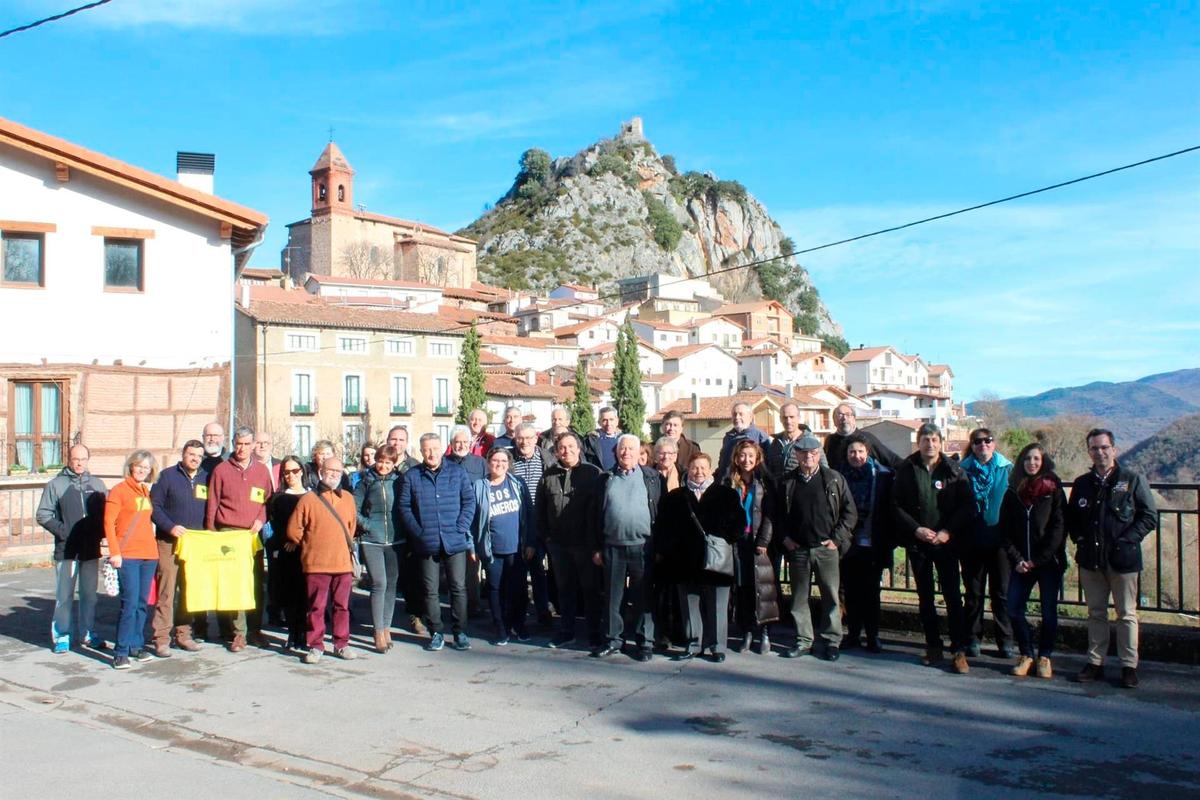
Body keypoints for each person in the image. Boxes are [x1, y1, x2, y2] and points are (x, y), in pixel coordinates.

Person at [1066, 428, 1157, 689]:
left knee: (1126, 614)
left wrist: (1127, 540)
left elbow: (1149, 516)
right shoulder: (1082, 483)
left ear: (1114, 449)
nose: (1100, 452)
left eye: (1104, 447)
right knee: (1096, 613)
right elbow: (1072, 518)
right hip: (1091, 559)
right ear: (1089, 452)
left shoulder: (1131, 479)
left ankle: (1129, 666)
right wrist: (1079, 540)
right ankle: (1095, 662)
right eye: (1094, 448)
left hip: (1123, 561)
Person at [892, 423, 973, 673]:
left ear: (941, 442)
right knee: (925, 597)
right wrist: (916, 529)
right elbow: (895, 505)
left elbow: (967, 505)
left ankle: (959, 650)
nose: (930, 444)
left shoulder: (953, 469)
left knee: (952, 596)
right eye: (925, 439)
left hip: (946, 543)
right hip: (919, 543)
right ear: (919, 442)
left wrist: (947, 532)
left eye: (934, 440)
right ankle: (933, 645)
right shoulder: (907, 469)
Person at [657, 452, 743, 662]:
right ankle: (693, 643)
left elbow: (739, 523)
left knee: (718, 604)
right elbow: (663, 527)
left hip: (716, 560)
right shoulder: (675, 497)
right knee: (689, 604)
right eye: (695, 467)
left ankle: (716, 646)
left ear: (710, 469)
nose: (699, 472)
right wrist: (670, 550)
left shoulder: (726, 494)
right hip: (685, 560)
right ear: (689, 469)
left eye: (703, 467)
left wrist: (724, 538)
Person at [776, 435, 856, 661]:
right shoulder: (787, 482)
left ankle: (831, 641)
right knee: (799, 597)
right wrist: (785, 539)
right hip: (799, 549)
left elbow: (850, 513)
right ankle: (804, 640)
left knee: (830, 596)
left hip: (826, 548)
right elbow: (778, 515)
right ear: (797, 455)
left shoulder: (833, 479)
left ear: (819, 454)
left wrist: (837, 539)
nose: (808, 457)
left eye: (812, 453)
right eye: (803, 453)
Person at [399, 433, 477, 652]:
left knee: (458, 588)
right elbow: (404, 507)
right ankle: (436, 632)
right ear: (421, 452)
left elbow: (469, 501)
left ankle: (460, 632)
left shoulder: (457, 472)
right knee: (430, 590)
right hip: (426, 542)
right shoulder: (412, 476)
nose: (431, 453)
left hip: (454, 540)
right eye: (426, 449)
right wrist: (418, 532)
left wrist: (461, 527)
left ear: (443, 449)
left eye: (435, 448)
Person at [592, 434, 662, 661]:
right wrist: (596, 548)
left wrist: (660, 546)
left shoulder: (652, 478)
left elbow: (662, 515)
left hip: (643, 547)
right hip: (612, 546)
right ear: (616, 452)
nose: (626, 453)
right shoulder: (605, 479)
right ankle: (613, 640)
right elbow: (594, 516)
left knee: (643, 596)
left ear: (638, 452)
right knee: (613, 597)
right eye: (622, 449)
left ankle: (645, 643)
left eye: (631, 449)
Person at [204, 426, 273, 651]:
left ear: (254, 445)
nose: (242, 448)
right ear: (233, 444)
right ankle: (238, 633)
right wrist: (211, 533)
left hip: (252, 535)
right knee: (234, 585)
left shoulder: (262, 471)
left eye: (246, 444)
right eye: (239, 443)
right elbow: (212, 503)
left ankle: (254, 629)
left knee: (255, 584)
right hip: (228, 534)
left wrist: (261, 520)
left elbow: (267, 502)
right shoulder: (221, 470)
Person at [1001, 443, 1067, 680]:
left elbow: (1059, 527)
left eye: (1037, 459)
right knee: (1014, 608)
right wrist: (1018, 559)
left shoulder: (1053, 488)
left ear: (1043, 461)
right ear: (1021, 462)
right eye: (1028, 458)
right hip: (1021, 564)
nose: (1032, 463)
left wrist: (1038, 560)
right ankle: (1027, 653)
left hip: (1048, 563)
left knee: (1049, 611)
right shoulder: (1012, 491)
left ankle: (1045, 656)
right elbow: (1005, 530)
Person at [286, 457, 359, 663]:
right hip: (316, 563)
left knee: (342, 606)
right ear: (321, 472)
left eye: (338, 470)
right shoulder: (308, 499)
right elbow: (293, 531)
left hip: (342, 563)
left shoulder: (348, 498)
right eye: (330, 470)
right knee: (316, 607)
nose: (334, 474)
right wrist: (312, 544)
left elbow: (351, 528)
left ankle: (341, 644)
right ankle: (316, 646)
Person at [536, 432, 604, 648]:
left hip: (586, 544)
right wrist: (547, 538)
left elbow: (601, 510)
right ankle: (567, 631)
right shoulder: (548, 476)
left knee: (590, 590)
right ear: (556, 451)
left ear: (579, 448)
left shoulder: (593, 474)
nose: (566, 451)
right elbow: (540, 510)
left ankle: (594, 632)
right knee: (565, 590)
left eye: (570, 446)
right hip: (558, 544)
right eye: (562, 447)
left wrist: (597, 544)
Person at [37, 443, 107, 653]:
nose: (79, 463)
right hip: (66, 551)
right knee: (64, 596)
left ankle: (88, 634)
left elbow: (106, 515)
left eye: (83, 459)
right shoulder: (56, 484)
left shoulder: (97, 484)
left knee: (89, 595)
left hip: (90, 550)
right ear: (68, 459)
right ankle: (62, 636)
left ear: (88, 460)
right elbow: (43, 514)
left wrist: (103, 535)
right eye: (75, 459)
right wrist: (63, 531)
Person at [148, 439, 208, 656]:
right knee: (167, 591)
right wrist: (170, 527)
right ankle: (161, 638)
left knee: (189, 590)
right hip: (169, 542)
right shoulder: (166, 476)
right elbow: (154, 507)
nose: (195, 459)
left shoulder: (206, 477)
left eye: (199, 456)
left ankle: (184, 634)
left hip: (195, 545)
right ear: (183, 454)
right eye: (191, 454)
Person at [958, 428, 1015, 658]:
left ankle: (1005, 640)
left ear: (994, 443)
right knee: (973, 593)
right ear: (972, 446)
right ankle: (973, 638)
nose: (983, 445)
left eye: (987, 440)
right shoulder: (962, 471)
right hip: (971, 539)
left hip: (1000, 540)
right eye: (978, 441)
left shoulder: (1007, 469)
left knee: (1001, 593)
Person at [472, 447, 537, 645]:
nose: (499, 464)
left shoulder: (518, 483)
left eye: (503, 461)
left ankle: (519, 624)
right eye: (495, 460)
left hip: (517, 548)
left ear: (508, 464)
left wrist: (531, 542)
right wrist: (472, 547)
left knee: (518, 589)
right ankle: (500, 627)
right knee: (495, 589)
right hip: (492, 550)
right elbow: (472, 520)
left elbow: (530, 513)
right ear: (488, 462)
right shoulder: (479, 486)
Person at [836, 434, 896, 653]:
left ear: (868, 453)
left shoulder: (882, 475)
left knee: (871, 592)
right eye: (852, 452)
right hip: (847, 543)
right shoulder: (839, 476)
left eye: (861, 451)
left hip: (873, 542)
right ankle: (853, 634)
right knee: (850, 591)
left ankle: (873, 635)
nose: (856, 456)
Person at [104, 450, 160, 669]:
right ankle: (121, 650)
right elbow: (109, 523)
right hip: (128, 555)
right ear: (131, 466)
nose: (142, 471)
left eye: (146, 468)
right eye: (139, 466)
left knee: (141, 604)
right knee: (128, 604)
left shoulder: (145, 491)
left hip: (149, 554)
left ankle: (136, 645)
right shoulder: (119, 491)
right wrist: (115, 552)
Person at [723, 440, 778, 654]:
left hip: (758, 542)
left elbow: (770, 515)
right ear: (736, 458)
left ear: (757, 458)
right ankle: (746, 630)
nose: (746, 460)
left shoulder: (764, 482)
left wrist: (764, 541)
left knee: (763, 589)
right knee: (743, 588)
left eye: (750, 456)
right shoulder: (729, 482)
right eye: (742, 456)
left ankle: (764, 631)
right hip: (738, 542)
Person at [354, 445, 406, 653]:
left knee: (392, 584)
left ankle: (386, 627)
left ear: (394, 463)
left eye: (388, 462)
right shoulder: (366, 481)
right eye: (381, 461)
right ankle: (377, 631)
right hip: (372, 540)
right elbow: (354, 509)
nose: (383, 466)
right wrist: (367, 526)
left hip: (396, 540)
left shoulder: (400, 481)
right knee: (379, 583)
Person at [511, 423, 554, 628]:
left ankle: (545, 609)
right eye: (520, 438)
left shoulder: (547, 458)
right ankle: (523, 611)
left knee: (543, 569)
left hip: (543, 519)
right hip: (519, 521)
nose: (524, 442)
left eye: (528, 438)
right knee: (524, 568)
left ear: (536, 438)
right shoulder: (510, 459)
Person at [268, 456, 309, 652]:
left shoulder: (312, 496)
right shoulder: (278, 497)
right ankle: (293, 635)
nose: (290, 475)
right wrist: (288, 540)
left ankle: (304, 634)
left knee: (306, 595)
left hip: (307, 551)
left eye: (294, 471)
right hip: (286, 552)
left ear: (301, 471)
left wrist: (298, 540)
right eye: (286, 472)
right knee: (289, 595)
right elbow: (276, 524)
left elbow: (313, 524)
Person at [386, 424, 423, 634]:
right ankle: (384, 618)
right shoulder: (382, 463)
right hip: (388, 527)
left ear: (406, 443)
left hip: (409, 528)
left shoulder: (415, 466)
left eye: (400, 440)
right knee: (389, 576)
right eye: (393, 439)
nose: (396, 443)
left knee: (412, 575)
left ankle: (415, 615)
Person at [824, 403, 902, 472]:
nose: (844, 418)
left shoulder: (866, 438)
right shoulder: (830, 440)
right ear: (834, 420)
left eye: (848, 415)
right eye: (840, 415)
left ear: (854, 419)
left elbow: (891, 459)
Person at [765, 403, 825, 481]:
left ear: (798, 418)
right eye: (785, 417)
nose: (788, 421)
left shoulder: (811, 441)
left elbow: (824, 469)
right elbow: (770, 468)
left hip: (801, 489)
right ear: (780, 419)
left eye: (792, 417)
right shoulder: (776, 443)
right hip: (779, 490)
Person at [716, 402, 770, 480]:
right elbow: (722, 462)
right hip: (727, 484)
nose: (737, 417)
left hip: (750, 485)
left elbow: (767, 464)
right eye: (734, 414)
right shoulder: (728, 437)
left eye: (741, 414)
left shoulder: (760, 437)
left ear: (750, 417)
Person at [583, 406, 622, 471]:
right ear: (599, 422)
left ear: (617, 421)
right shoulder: (590, 440)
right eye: (604, 420)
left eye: (611, 419)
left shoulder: (624, 439)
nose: (608, 423)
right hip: (598, 478)